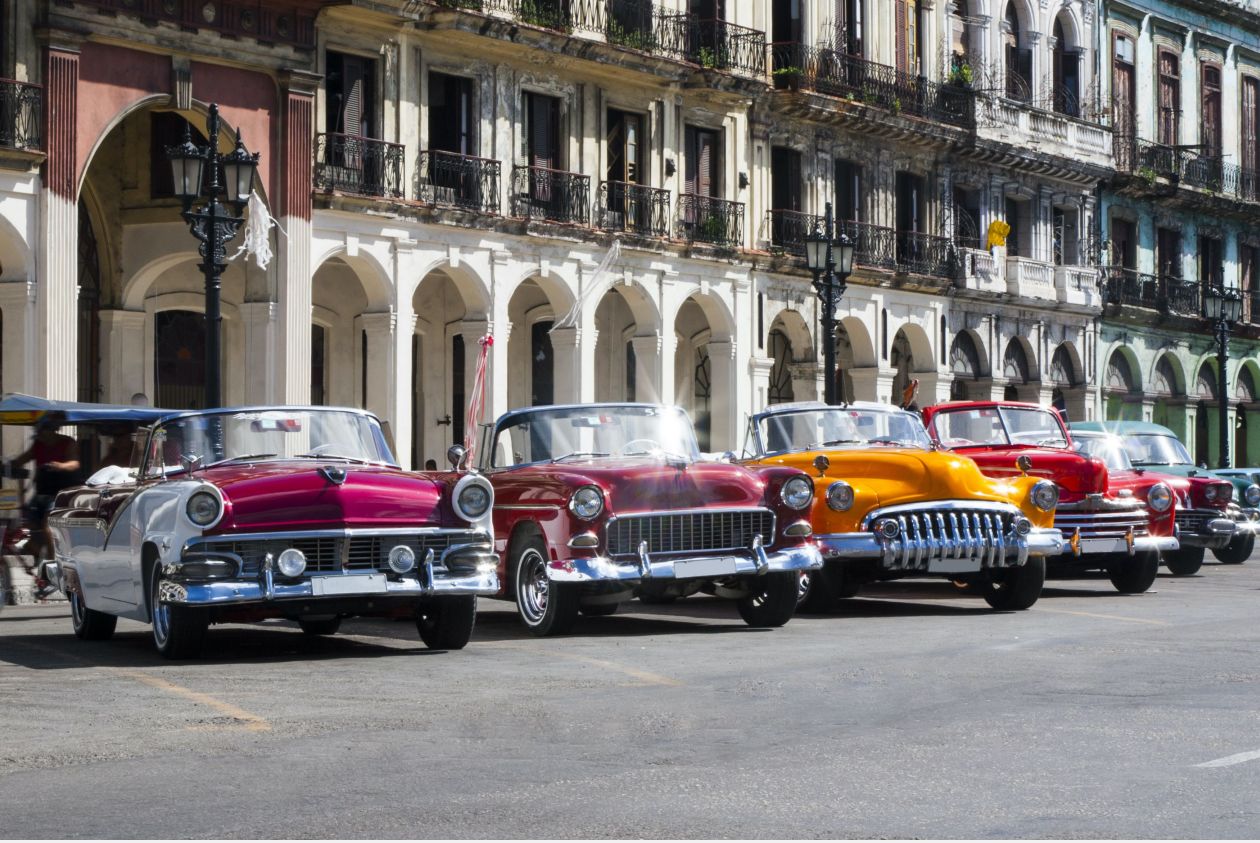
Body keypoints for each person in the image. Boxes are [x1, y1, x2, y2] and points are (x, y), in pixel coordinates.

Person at [9, 412, 81, 569]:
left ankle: (52, 561)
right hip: (40, 493)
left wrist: (60, 466)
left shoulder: (67, 442)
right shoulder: (38, 445)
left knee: (48, 526)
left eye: (43, 431)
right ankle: (38, 556)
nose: (41, 435)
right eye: (39, 432)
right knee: (32, 526)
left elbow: (74, 463)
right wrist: (9, 465)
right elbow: (21, 459)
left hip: (59, 493)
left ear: (52, 430)